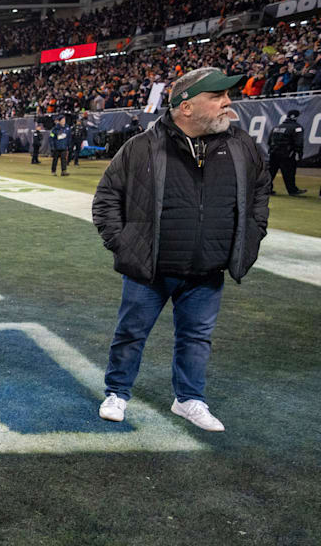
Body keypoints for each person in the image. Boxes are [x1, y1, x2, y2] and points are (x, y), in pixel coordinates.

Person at [92, 67, 270, 432]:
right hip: (150, 268)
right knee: (131, 334)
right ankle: (118, 392)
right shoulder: (142, 146)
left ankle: (189, 399)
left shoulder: (242, 146)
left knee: (196, 338)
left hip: (208, 268)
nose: (227, 103)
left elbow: (259, 196)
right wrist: (125, 245)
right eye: (217, 97)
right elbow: (107, 198)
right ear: (186, 107)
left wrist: (250, 238)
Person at [266, 109, 307, 196]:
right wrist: (299, 153)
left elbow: (269, 141)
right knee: (289, 173)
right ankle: (292, 190)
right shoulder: (297, 128)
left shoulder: (277, 127)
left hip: (274, 153)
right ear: (296, 117)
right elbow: (298, 142)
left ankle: (266, 189)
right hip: (287, 154)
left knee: (271, 172)